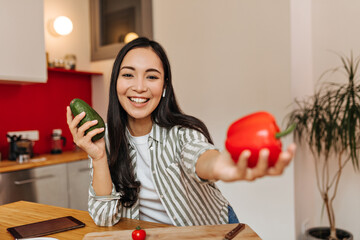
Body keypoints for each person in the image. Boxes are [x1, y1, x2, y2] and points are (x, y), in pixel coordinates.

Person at [66, 37, 295, 227]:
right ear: (116, 83)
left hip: (213, 231)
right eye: (128, 74)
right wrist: (98, 158)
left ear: (164, 87)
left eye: (152, 76)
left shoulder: (183, 133)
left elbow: (201, 157)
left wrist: (221, 165)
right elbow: (104, 218)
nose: (139, 86)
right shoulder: (105, 142)